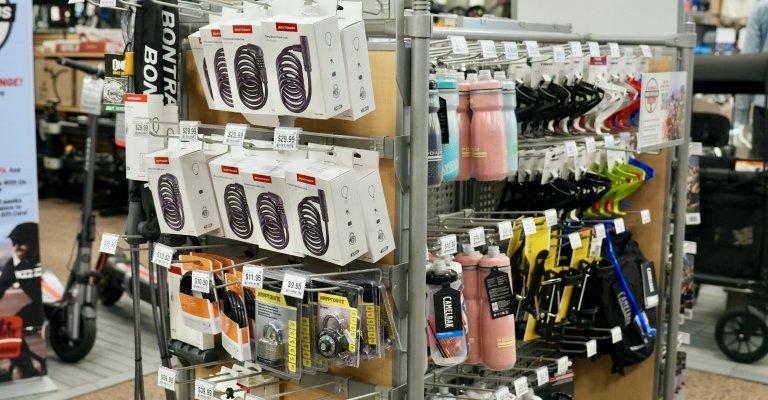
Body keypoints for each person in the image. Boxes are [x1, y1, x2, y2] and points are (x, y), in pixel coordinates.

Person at [0, 223, 43, 327]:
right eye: (14, 243)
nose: (16, 248)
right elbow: (1, 287)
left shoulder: (44, 257)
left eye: (20, 243)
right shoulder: (14, 264)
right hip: (36, 308)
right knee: (13, 325)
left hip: (52, 307)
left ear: (34, 243)